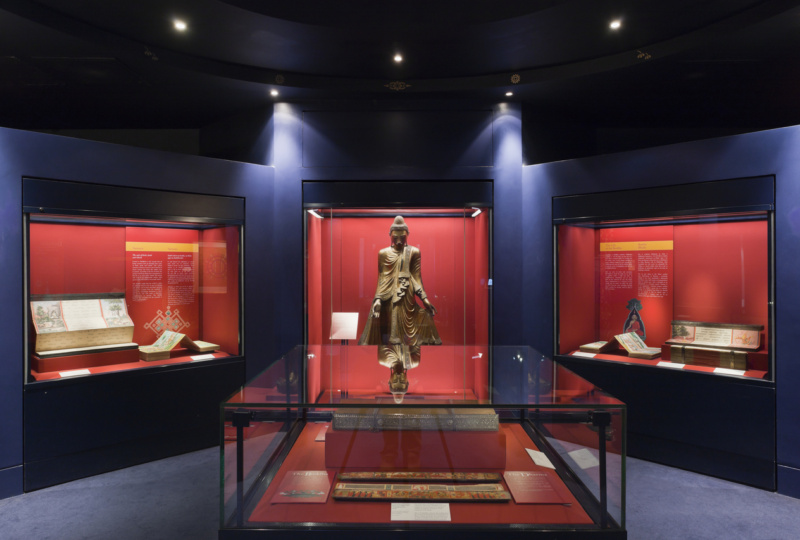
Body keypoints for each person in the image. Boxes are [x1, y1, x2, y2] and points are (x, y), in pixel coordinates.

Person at [358, 215, 441, 348]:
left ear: (407, 235)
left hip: (407, 295)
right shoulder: (383, 253)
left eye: (402, 237)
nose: (398, 241)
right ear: (389, 235)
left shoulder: (414, 252)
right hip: (388, 294)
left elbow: (416, 277)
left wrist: (425, 299)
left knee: (421, 319)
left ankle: (406, 353)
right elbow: (382, 278)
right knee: (384, 323)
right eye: (395, 238)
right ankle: (391, 352)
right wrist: (378, 299)